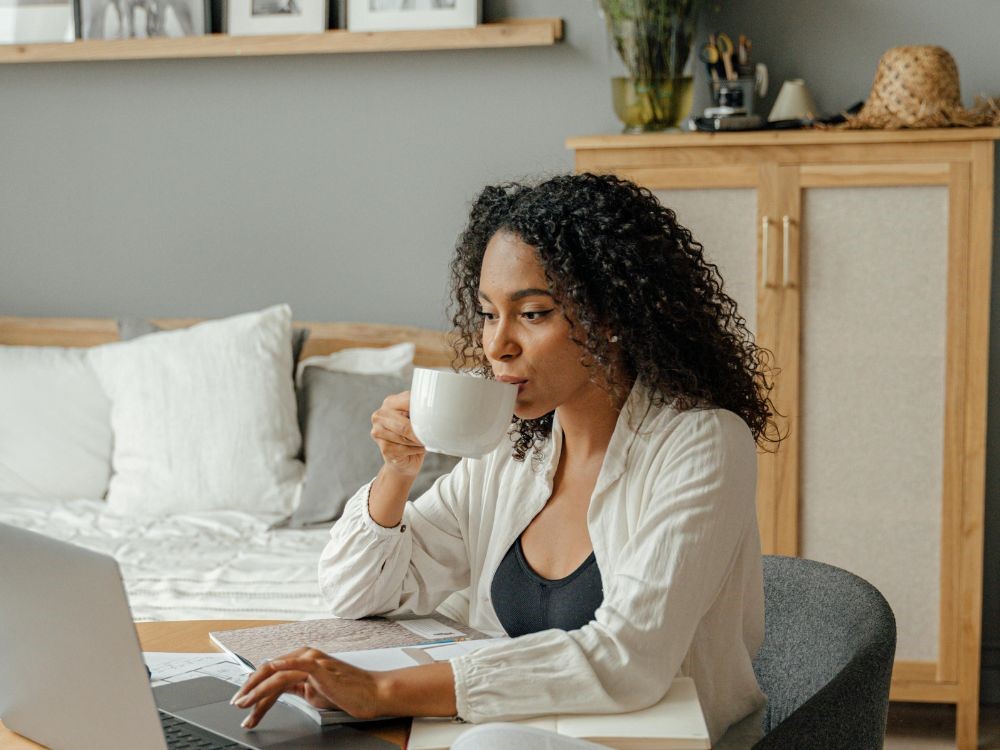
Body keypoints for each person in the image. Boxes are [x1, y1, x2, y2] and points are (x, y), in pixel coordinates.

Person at [232, 173, 780, 747]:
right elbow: (357, 593)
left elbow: (628, 660)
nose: (497, 344)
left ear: (613, 320)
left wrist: (386, 691)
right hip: (519, 732)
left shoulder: (702, 444)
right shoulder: (514, 451)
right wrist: (397, 472)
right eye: (489, 314)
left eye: (533, 313)